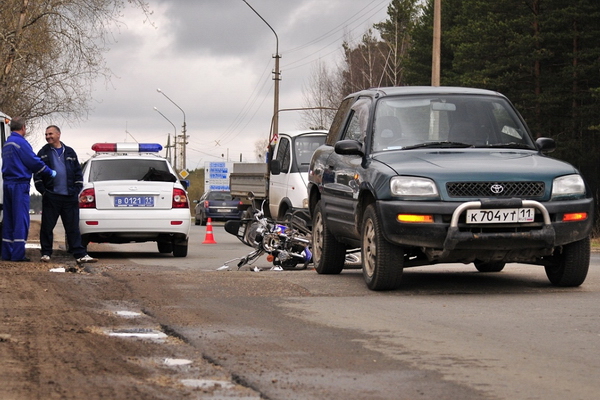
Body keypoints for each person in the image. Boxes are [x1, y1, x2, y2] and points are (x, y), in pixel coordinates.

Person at [34, 125, 97, 264]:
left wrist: (76, 189)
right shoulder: (43, 153)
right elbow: (37, 174)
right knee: (47, 227)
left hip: (69, 197)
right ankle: (46, 253)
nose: (48, 136)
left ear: (58, 134)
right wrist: (44, 191)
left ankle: (80, 254)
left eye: (50, 134)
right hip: (51, 197)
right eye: (46, 134)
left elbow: (77, 172)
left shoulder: (69, 152)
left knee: (72, 227)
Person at [2, 117, 56, 262]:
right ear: (23, 127)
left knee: (9, 219)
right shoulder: (21, 143)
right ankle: (18, 255)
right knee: (21, 219)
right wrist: (49, 171)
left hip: (7, 183)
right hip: (19, 184)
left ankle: (7, 253)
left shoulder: (7, 143)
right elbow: (32, 161)